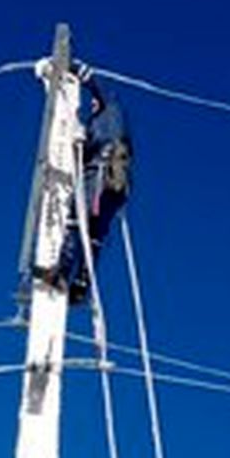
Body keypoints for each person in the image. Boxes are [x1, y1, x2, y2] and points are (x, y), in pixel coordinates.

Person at [61, 66, 133, 304]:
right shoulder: (102, 127)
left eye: (93, 103)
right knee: (94, 235)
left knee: (74, 220)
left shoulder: (109, 109)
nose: (92, 105)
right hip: (116, 186)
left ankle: (62, 271)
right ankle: (81, 283)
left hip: (101, 178)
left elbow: (99, 86)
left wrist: (76, 68)